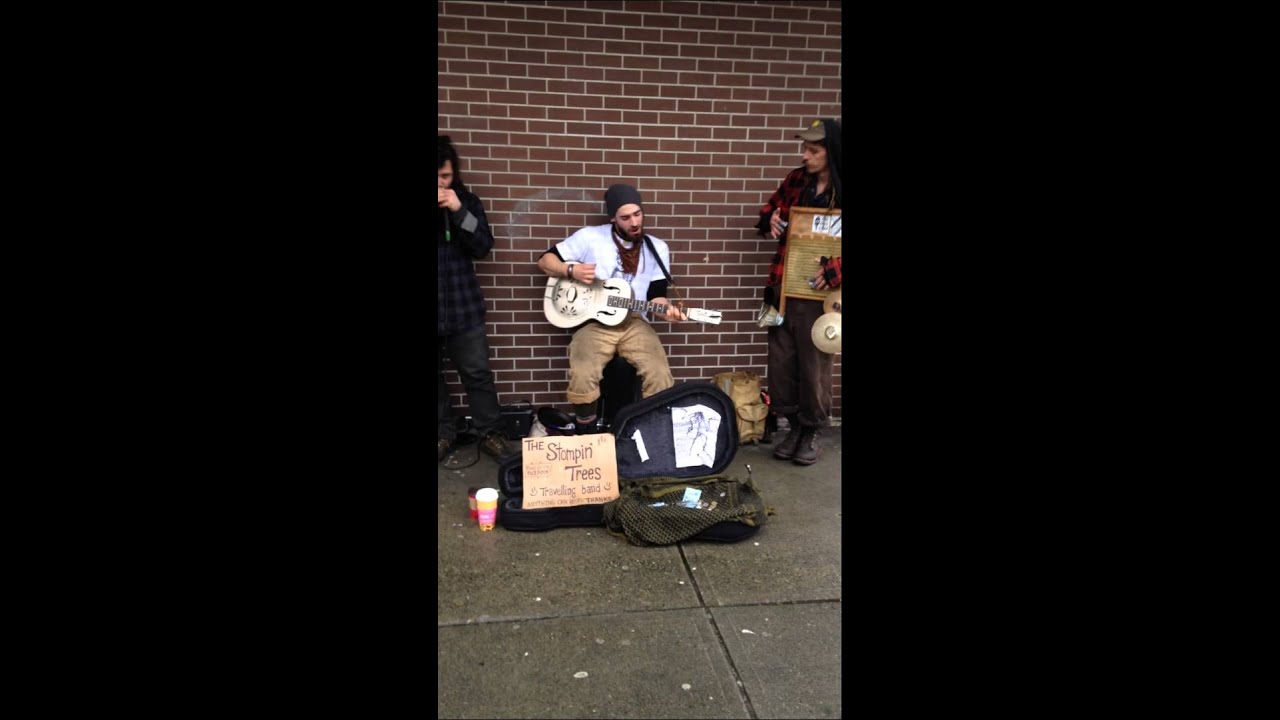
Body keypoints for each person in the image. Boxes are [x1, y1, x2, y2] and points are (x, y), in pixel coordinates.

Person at [537, 184, 687, 433]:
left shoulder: (657, 248)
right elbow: (545, 261)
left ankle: (651, 432)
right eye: (626, 218)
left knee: (659, 373)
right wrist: (570, 270)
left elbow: (656, 297)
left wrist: (668, 311)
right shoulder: (590, 237)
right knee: (583, 372)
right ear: (612, 219)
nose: (634, 222)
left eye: (638, 214)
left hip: (635, 320)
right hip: (594, 322)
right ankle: (587, 432)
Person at [754, 119, 843, 466]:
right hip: (781, 286)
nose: (804, 155)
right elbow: (768, 211)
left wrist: (835, 269)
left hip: (823, 296)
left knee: (813, 364)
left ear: (831, 152)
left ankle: (811, 430)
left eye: (813, 150)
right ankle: (791, 425)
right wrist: (770, 220)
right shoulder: (795, 180)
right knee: (780, 361)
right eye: (804, 148)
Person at [437, 135, 514, 462]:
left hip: (463, 306)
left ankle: (489, 433)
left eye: (445, 176)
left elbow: (483, 245)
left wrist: (457, 211)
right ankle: (443, 433)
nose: (441, 183)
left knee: (477, 373)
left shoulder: (467, 201)